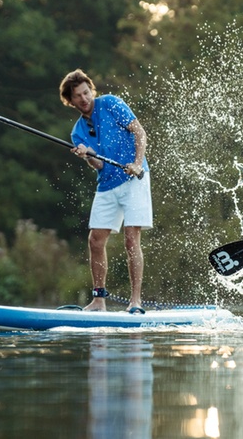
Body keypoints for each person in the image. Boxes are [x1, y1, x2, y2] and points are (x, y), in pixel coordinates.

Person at [59, 69, 152, 313]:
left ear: (91, 90)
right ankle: (99, 300)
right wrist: (87, 156)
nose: (84, 99)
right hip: (107, 183)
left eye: (86, 92)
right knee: (95, 240)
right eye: (77, 96)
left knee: (131, 239)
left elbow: (139, 131)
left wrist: (137, 162)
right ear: (70, 101)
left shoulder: (111, 103)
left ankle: (135, 302)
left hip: (134, 179)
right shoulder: (77, 132)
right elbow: (99, 164)